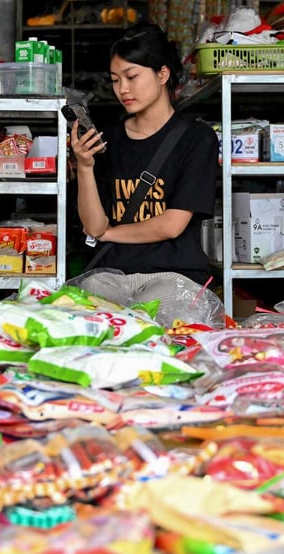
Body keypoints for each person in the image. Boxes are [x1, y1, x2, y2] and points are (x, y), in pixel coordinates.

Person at [69, 23, 221, 327]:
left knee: (145, 317)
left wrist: (109, 234)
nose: (123, 89)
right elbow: (94, 225)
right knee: (83, 302)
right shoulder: (107, 139)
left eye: (132, 77)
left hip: (174, 275)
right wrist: (85, 167)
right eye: (115, 80)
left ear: (162, 74)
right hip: (112, 275)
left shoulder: (197, 138)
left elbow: (172, 225)